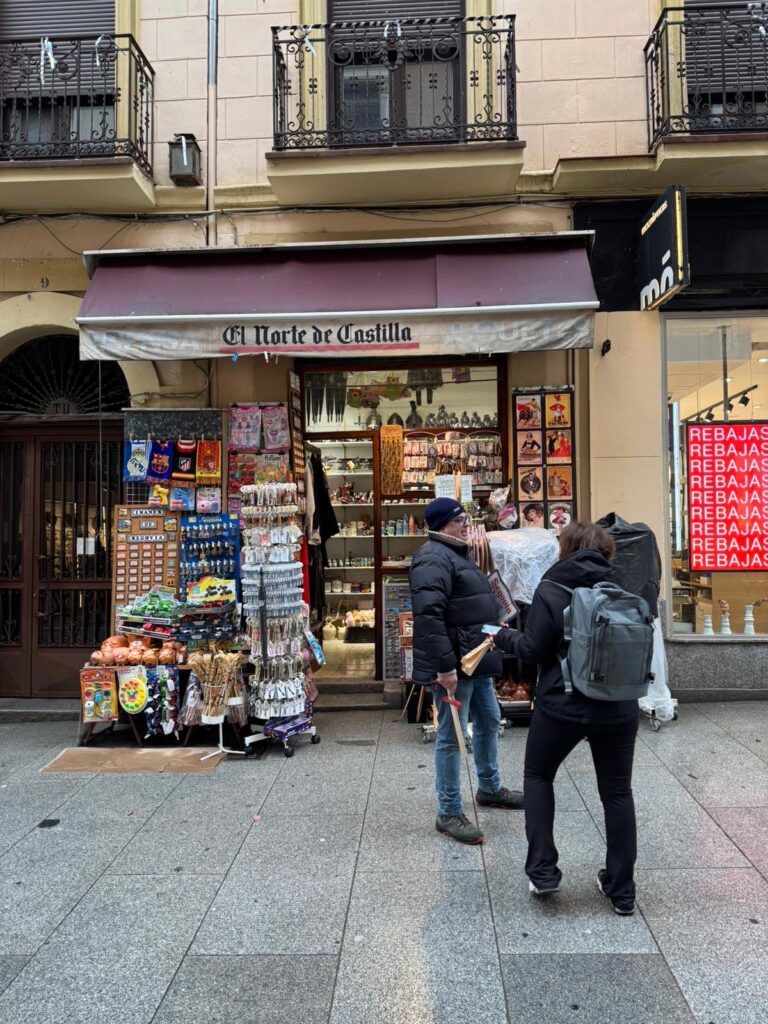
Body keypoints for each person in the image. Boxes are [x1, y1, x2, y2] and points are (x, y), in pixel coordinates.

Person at [493, 521, 639, 915]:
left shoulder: (553, 587)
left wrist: (501, 636)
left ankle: (543, 872)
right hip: (619, 705)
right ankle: (622, 890)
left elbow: (533, 651)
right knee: (617, 794)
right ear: (606, 552)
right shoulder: (624, 587)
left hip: (564, 704)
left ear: (566, 549)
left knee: (539, 775)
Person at [409, 496, 523, 845]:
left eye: (465, 519)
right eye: (459, 519)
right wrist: (445, 667)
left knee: (489, 719)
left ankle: (489, 788)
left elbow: (468, 606)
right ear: (442, 524)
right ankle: (448, 811)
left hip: (476, 658)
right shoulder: (432, 557)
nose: (465, 524)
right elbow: (429, 617)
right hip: (457, 664)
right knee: (451, 736)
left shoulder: (458, 553)